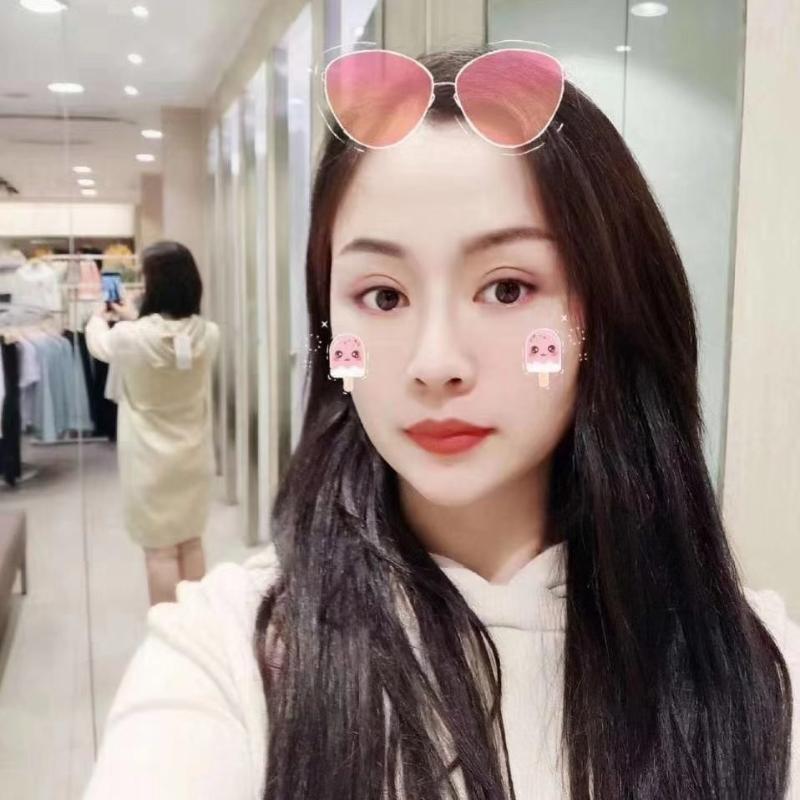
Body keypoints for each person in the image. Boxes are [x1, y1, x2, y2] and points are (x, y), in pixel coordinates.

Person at [83, 49, 798, 799]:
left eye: (508, 287)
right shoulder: (235, 654)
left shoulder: (752, 669)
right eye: (384, 297)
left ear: (606, 310)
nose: (436, 364)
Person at [85, 240, 220, 607]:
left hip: (148, 461)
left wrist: (98, 316)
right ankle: (197, 626)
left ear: (155, 286)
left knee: (160, 552)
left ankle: (167, 629)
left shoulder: (130, 338)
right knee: (191, 542)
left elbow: (100, 345)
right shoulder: (209, 334)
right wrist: (135, 316)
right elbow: (169, 339)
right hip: (193, 456)